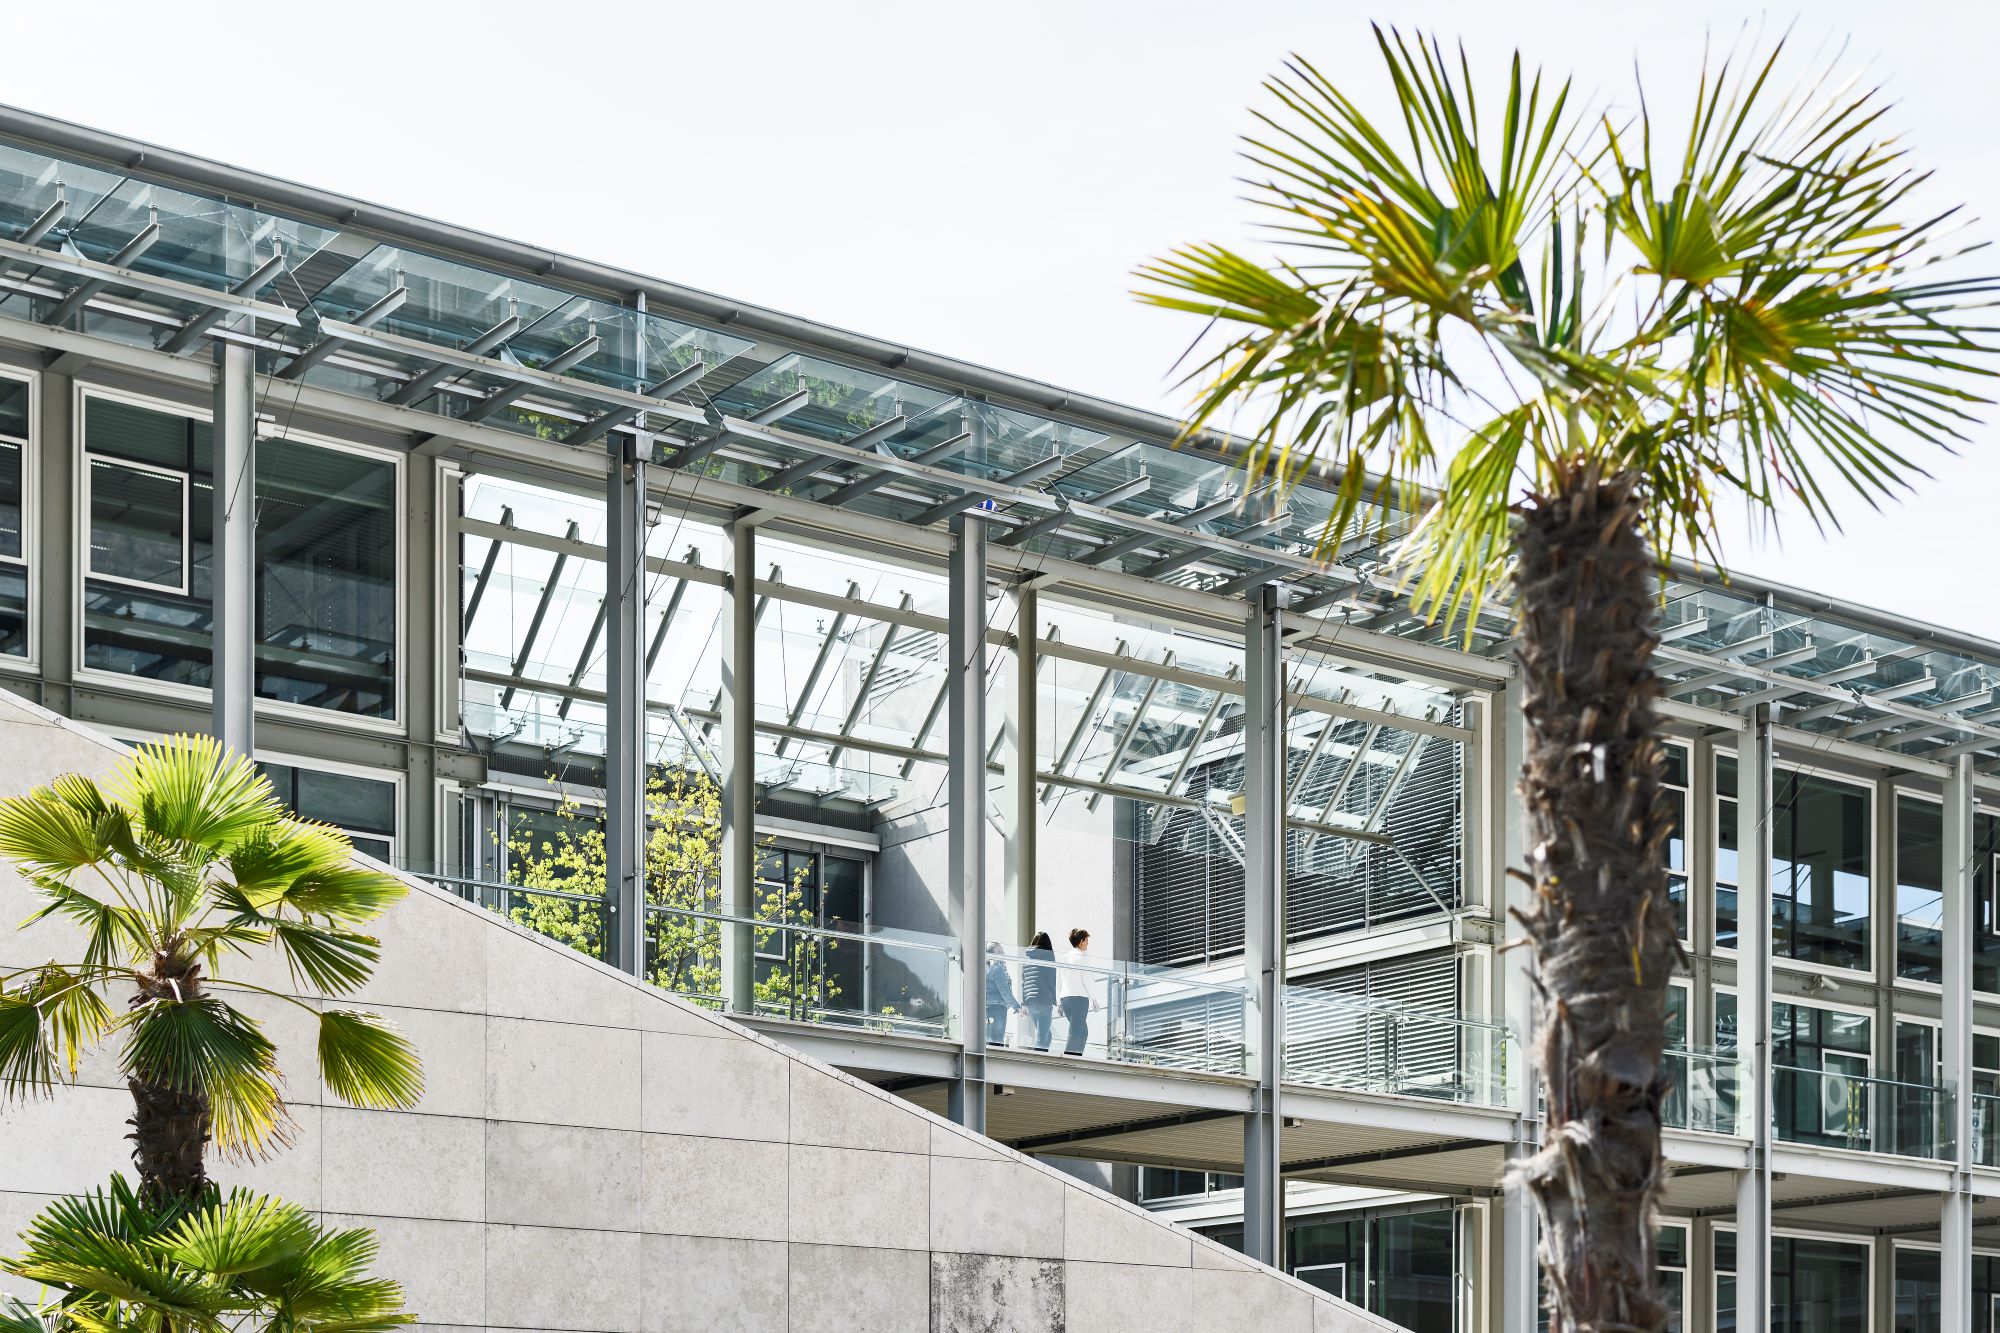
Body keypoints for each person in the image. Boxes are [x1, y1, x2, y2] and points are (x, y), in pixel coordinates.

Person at [1058, 927, 1096, 1056]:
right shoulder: (1082, 957)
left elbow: (1061, 979)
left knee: (1083, 1031)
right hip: (1079, 998)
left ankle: (1077, 1056)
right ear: (1081, 941)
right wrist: (1095, 999)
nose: (1088, 943)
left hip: (1065, 998)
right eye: (1086, 940)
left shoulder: (1065, 957)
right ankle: (1069, 1059)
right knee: (1075, 1030)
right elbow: (1088, 979)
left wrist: (1059, 1002)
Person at [1020, 931, 1057, 1051]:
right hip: (1043, 999)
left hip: (1030, 1002)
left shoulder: (1027, 958)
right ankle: (1036, 1062)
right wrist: (1056, 1001)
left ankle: (1042, 1057)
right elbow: (1052, 980)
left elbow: (1024, 983)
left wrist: (1024, 1004)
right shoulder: (1048, 956)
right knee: (1041, 1037)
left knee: (1047, 1036)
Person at [984, 943, 1021, 1047]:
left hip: (986, 1008)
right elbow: (1005, 991)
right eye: (999, 952)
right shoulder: (997, 969)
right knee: (996, 1042)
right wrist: (1017, 1007)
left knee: (988, 1042)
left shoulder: (984, 969)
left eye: (1002, 951)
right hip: (998, 1008)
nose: (1003, 954)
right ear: (990, 955)